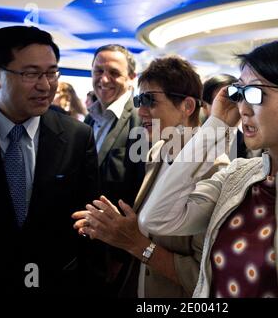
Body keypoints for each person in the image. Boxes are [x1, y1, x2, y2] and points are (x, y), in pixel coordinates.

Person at [133, 37, 278, 298]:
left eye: (256, 94)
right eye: (240, 93)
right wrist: (215, 126)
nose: (243, 108)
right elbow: (157, 217)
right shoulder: (237, 175)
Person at [0, 26, 100, 294]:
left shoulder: (76, 137)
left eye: (51, 72)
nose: (45, 85)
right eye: (31, 73)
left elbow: (87, 223)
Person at [72, 56, 229, 297]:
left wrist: (134, 243)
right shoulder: (158, 151)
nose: (140, 110)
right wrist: (112, 225)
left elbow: (204, 274)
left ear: (187, 106)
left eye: (149, 101)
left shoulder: (214, 170)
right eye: (138, 100)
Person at [85, 44, 144, 207]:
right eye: (98, 71)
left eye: (114, 73)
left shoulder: (141, 121)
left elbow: (142, 186)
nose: (104, 79)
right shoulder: (88, 119)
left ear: (131, 77)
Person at [202, 73, 252, 159]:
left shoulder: (251, 144)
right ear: (205, 107)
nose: (228, 108)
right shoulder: (192, 142)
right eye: (220, 103)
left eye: (233, 99)